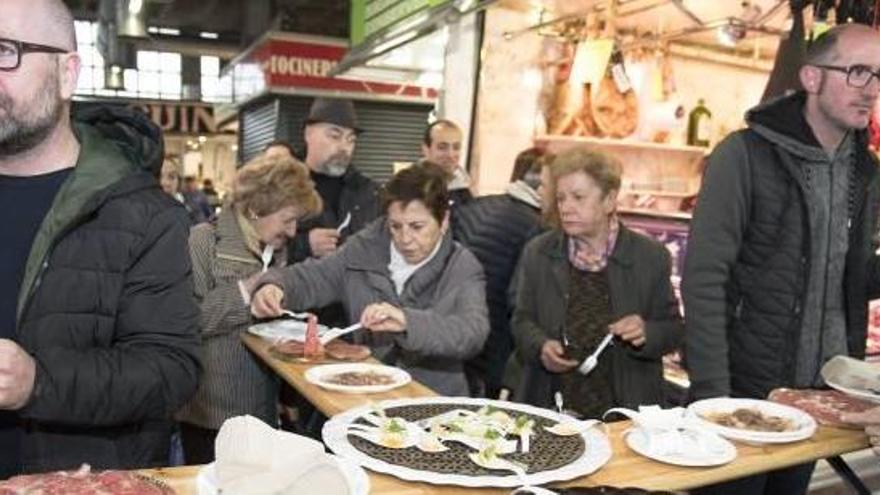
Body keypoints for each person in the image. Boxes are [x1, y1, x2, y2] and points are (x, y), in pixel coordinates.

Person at [0, 0, 200, 476]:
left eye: (5, 51)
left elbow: (171, 371)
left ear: (67, 74)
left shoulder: (145, 216)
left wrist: (38, 382)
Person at [682, 24, 880, 494]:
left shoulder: (866, 171)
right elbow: (704, 277)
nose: (871, 89)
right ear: (811, 78)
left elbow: (851, 278)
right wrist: (714, 395)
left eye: (879, 76)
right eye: (857, 72)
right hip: (745, 390)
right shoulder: (744, 155)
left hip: (821, 393)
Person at [250, 162, 490, 396]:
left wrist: (408, 321)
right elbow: (313, 277)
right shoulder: (363, 250)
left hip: (431, 401)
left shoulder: (462, 266)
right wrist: (276, 286)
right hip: (365, 395)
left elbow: (472, 332)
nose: (405, 238)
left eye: (417, 227)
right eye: (395, 226)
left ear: (444, 220)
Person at [510, 146, 682, 418]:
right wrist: (540, 346)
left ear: (609, 200)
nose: (566, 207)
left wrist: (646, 332)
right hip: (551, 406)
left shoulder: (650, 257)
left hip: (624, 413)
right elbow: (521, 320)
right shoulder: (539, 252)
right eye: (561, 198)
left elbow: (673, 330)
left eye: (578, 197)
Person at [176, 155, 321, 464]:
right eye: (288, 219)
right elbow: (189, 321)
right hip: (209, 418)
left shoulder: (278, 250)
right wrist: (246, 290)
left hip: (263, 415)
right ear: (257, 209)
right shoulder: (203, 241)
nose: (294, 231)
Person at [452, 147, 549, 398]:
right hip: (495, 343)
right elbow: (519, 299)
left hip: (456, 329)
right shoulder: (537, 227)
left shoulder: (477, 205)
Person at [288, 98, 379, 265]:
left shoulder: (368, 192)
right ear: (308, 134)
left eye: (351, 139)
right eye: (335, 136)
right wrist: (303, 245)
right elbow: (254, 243)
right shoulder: (281, 186)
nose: (344, 147)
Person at [422, 119, 473, 207]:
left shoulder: (464, 191)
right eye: (442, 147)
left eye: (456, 147)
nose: (450, 155)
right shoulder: (409, 188)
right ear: (426, 150)